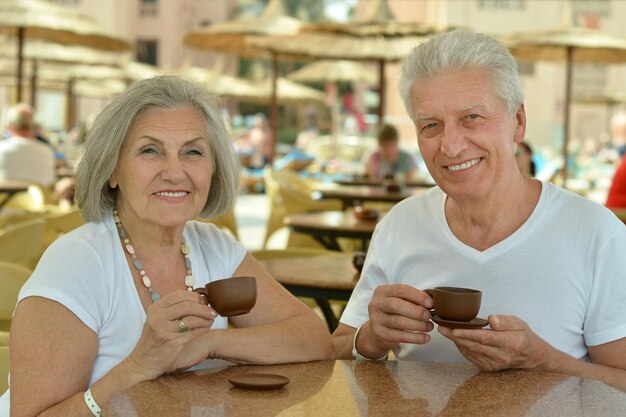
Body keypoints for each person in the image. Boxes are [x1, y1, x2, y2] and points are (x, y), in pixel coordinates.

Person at [2, 76, 334, 416]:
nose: (175, 173)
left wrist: (209, 344)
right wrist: (138, 366)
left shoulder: (215, 248)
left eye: (193, 151)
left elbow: (313, 338)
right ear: (112, 170)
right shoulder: (76, 264)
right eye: (150, 150)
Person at [333, 30, 626, 389]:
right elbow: (334, 353)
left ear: (518, 122)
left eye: (472, 117)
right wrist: (369, 339)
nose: (451, 147)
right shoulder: (400, 225)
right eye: (430, 126)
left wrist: (543, 361)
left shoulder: (595, 233)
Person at [0, 103, 56, 187]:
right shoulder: (46, 151)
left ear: (11, 125)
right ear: (33, 125)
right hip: (38, 199)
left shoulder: (2, 149)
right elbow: (50, 184)